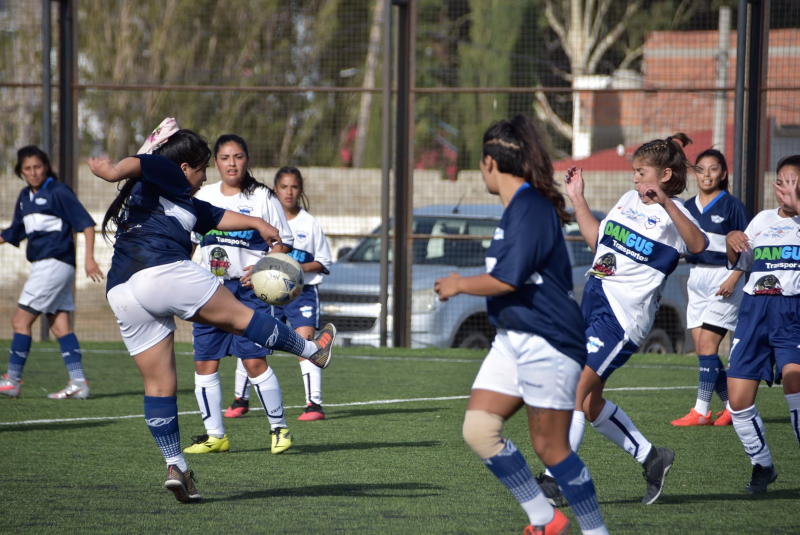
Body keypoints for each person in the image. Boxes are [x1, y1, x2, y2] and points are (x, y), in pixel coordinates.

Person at [87, 118, 336, 503]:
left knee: (158, 386)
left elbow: (216, 217)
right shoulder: (166, 172)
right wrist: (113, 171)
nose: (204, 175)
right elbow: (142, 163)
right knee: (242, 318)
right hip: (161, 270)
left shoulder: (173, 198)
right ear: (183, 167)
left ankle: (177, 467)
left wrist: (259, 225)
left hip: (122, 291)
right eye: (202, 166)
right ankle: (313, 351)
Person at [435, 115, 608, 535]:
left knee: (551, 448)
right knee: (479, 429)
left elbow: (507, 278)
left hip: (548, 341)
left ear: (489, 164)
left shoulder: (530, 206)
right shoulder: (516, 210)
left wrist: (458, 284)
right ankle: (545, 519)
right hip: (513, 339)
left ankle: (596, 532)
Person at [541, 133, 708, 508]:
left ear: (664, 175)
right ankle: (653, 459)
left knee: (572, 391)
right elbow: (599, 242)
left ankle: (554, 482)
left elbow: (697, 246)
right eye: (634, 171)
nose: (634, 179)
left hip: (621, 320)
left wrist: (666, 203)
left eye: (641, 172)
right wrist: (578, 200)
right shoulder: (628, 200)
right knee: (588, 403)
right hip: (593, 303)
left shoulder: (673, 213)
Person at [184, 134, 297, 457]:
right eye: (224, 158)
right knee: (205, 363)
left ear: (247, 160)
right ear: (214, 163)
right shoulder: (203, 194)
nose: (231, 163)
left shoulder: (263, 197)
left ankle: (279, 429)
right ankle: (215, 435)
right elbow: (191, 240)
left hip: (249, 292)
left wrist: (263, 266)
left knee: (253, 361)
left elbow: (282, 242)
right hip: (209, 290)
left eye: (238, 157)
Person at [226, 166, 333, 422]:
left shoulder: (309, 223)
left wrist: (292, 269)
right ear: (275, 191)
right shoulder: (266, 222)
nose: (289, 192)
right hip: (269, 294)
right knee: (253, 340)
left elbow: (324, 262)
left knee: (305, 344)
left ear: (300, 190)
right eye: (284, 187)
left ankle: (314, 405)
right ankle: (240, 399)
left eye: (294, 187)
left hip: (302, 293)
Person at [0, 145, 104, 400]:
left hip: (54, 265)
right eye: (28, 168)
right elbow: (14, 231)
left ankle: (12, 380)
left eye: (37, 167)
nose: (33, 172)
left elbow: (87, 225)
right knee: (60, 327)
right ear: (20, 171)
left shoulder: (58, 191)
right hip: (46, 267)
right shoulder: (25, 197)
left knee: (20, 321)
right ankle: (79, 383)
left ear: (45, 167)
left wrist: (89, 259)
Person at [725, 155, 800, 494]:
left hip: (791, 313)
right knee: (738, 400)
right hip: (754, 311)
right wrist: (732, 242)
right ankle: (762, 465)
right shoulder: (762, 220)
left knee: (795, 388)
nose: (785, 188)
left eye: (794, 182)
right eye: (782, 180)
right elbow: (742, 261)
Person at [671, 149, 748, 427]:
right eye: (701, 169)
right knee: (706, 352)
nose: (706, 174)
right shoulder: (687, 207)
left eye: (713, 169)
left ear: (723, 174)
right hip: (696, 278)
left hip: (724, 279)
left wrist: (733, 277)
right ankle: (732, 408)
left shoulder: (732, 206)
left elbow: (747, 250)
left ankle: (701, 411)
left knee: (706, 346)